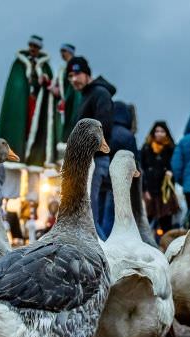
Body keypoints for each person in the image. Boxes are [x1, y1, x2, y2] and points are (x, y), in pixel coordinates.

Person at [67, 56, 116, 239]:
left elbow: (103, 128)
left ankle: (106, 259)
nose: (73, 79)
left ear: (87, 73)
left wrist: (86, 153)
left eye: (77, 74)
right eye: (70, 76)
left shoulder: (100, 94)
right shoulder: (85, 96)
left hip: (94, 161)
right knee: (86, 216)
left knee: (89, 217)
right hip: (86, 162)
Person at [0, 35, 57, 166]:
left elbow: (51, 88)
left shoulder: (45, 66)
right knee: (18, 131)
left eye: (36, 47)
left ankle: (35, 160)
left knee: (36, 134)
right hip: (21, 106)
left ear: (40, 48)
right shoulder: (19, 64)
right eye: (31, 45)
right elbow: (15, 86)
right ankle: (14, 156)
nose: (33, 49)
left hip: (37, 106)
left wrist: (44, 81)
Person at [140, 121, 177, 234]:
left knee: (166, 224)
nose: (159, 133)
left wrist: (171, 173)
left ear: (166, 133)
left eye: (162, 131)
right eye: (157, 131)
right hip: (149, 191)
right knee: (145, 223)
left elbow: (175, 166)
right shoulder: (146, 148)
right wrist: (144, 189)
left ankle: (168, 248)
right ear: (153, 133)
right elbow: (141, 169)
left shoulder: (171, 149)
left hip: (165, 192)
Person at [52, 43, 83, 142]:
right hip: (66, 100)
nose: (62, 54)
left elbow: (73, 84)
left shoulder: (75, 65)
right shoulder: (63, 69)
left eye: (64, 51)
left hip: (74, 99)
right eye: (61, 51)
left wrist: (65, 99)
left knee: (73, 122)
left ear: (69, 52)